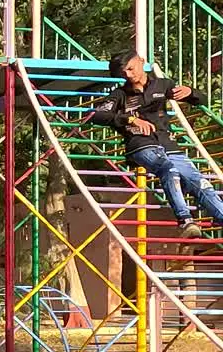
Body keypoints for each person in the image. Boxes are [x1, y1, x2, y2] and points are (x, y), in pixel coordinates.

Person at [92, 50, 222, 239]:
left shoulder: (162, 85)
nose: (129, 75)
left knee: (200, 183)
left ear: (141, 61)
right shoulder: (119, 95)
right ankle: (185, 220)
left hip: (168, 144)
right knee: (169, 170)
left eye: (131, 68)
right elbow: (97, 115)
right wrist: (129, 120)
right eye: (123, 73)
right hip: (140, 144)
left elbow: (201, 99)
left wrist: (191, 92)